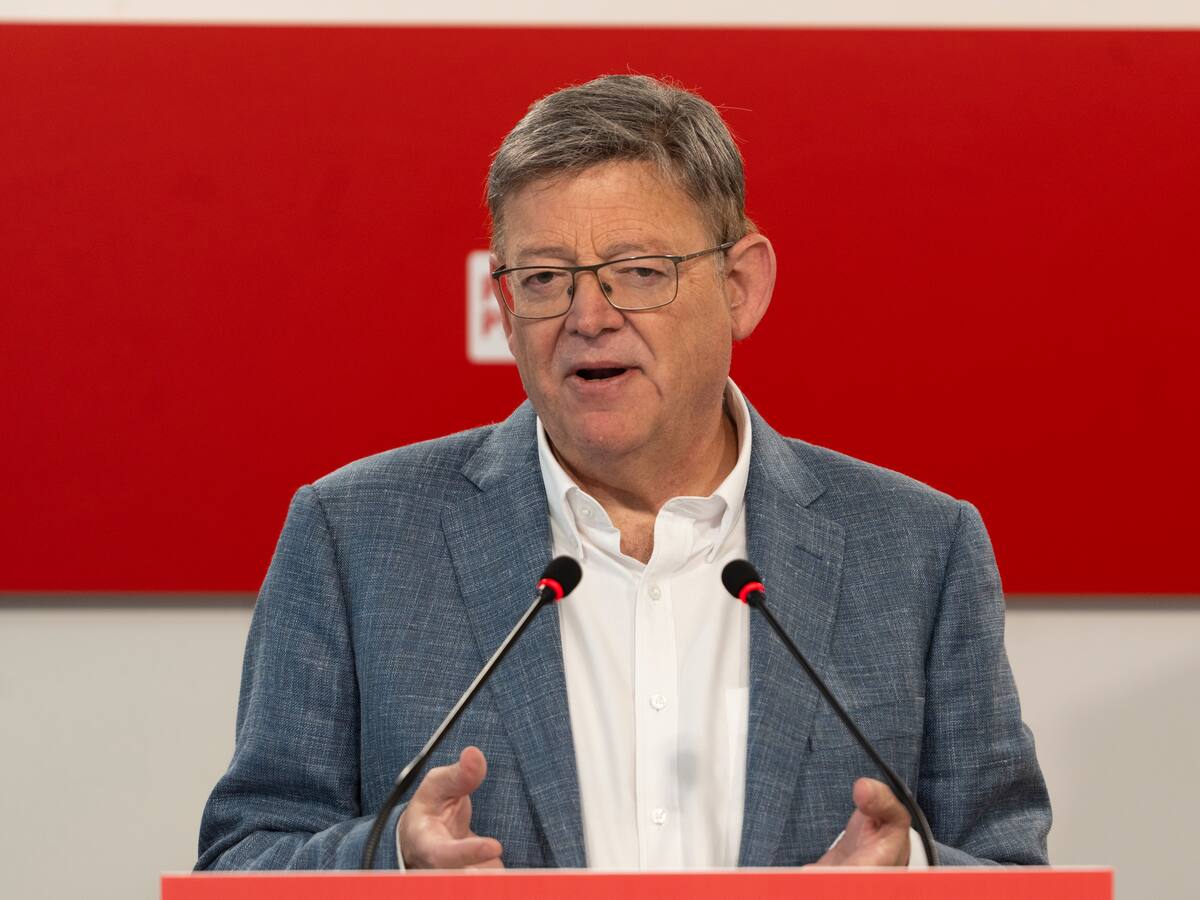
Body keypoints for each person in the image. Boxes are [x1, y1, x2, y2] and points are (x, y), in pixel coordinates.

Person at [197, 74, 1050, 872]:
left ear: (741, 285)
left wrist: (912, 879)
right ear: (505, 304)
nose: (588, 317)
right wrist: (391, 861)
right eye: (545, 278)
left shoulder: (919, 551)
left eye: (640, 272)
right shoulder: (355, 538)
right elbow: (242, 858)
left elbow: (1009, 866)